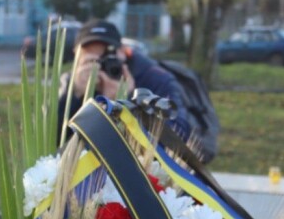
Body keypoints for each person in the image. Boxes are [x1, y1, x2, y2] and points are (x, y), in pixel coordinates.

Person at [56, 20, 192, 141]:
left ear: (123, 51)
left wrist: (128, 102)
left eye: (108, 58)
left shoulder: (155, 78)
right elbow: (52, 140)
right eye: (91, 61)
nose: (100, 67)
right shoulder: (71, 82)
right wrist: (74, 95)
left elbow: (179, 134)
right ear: (77, 58)